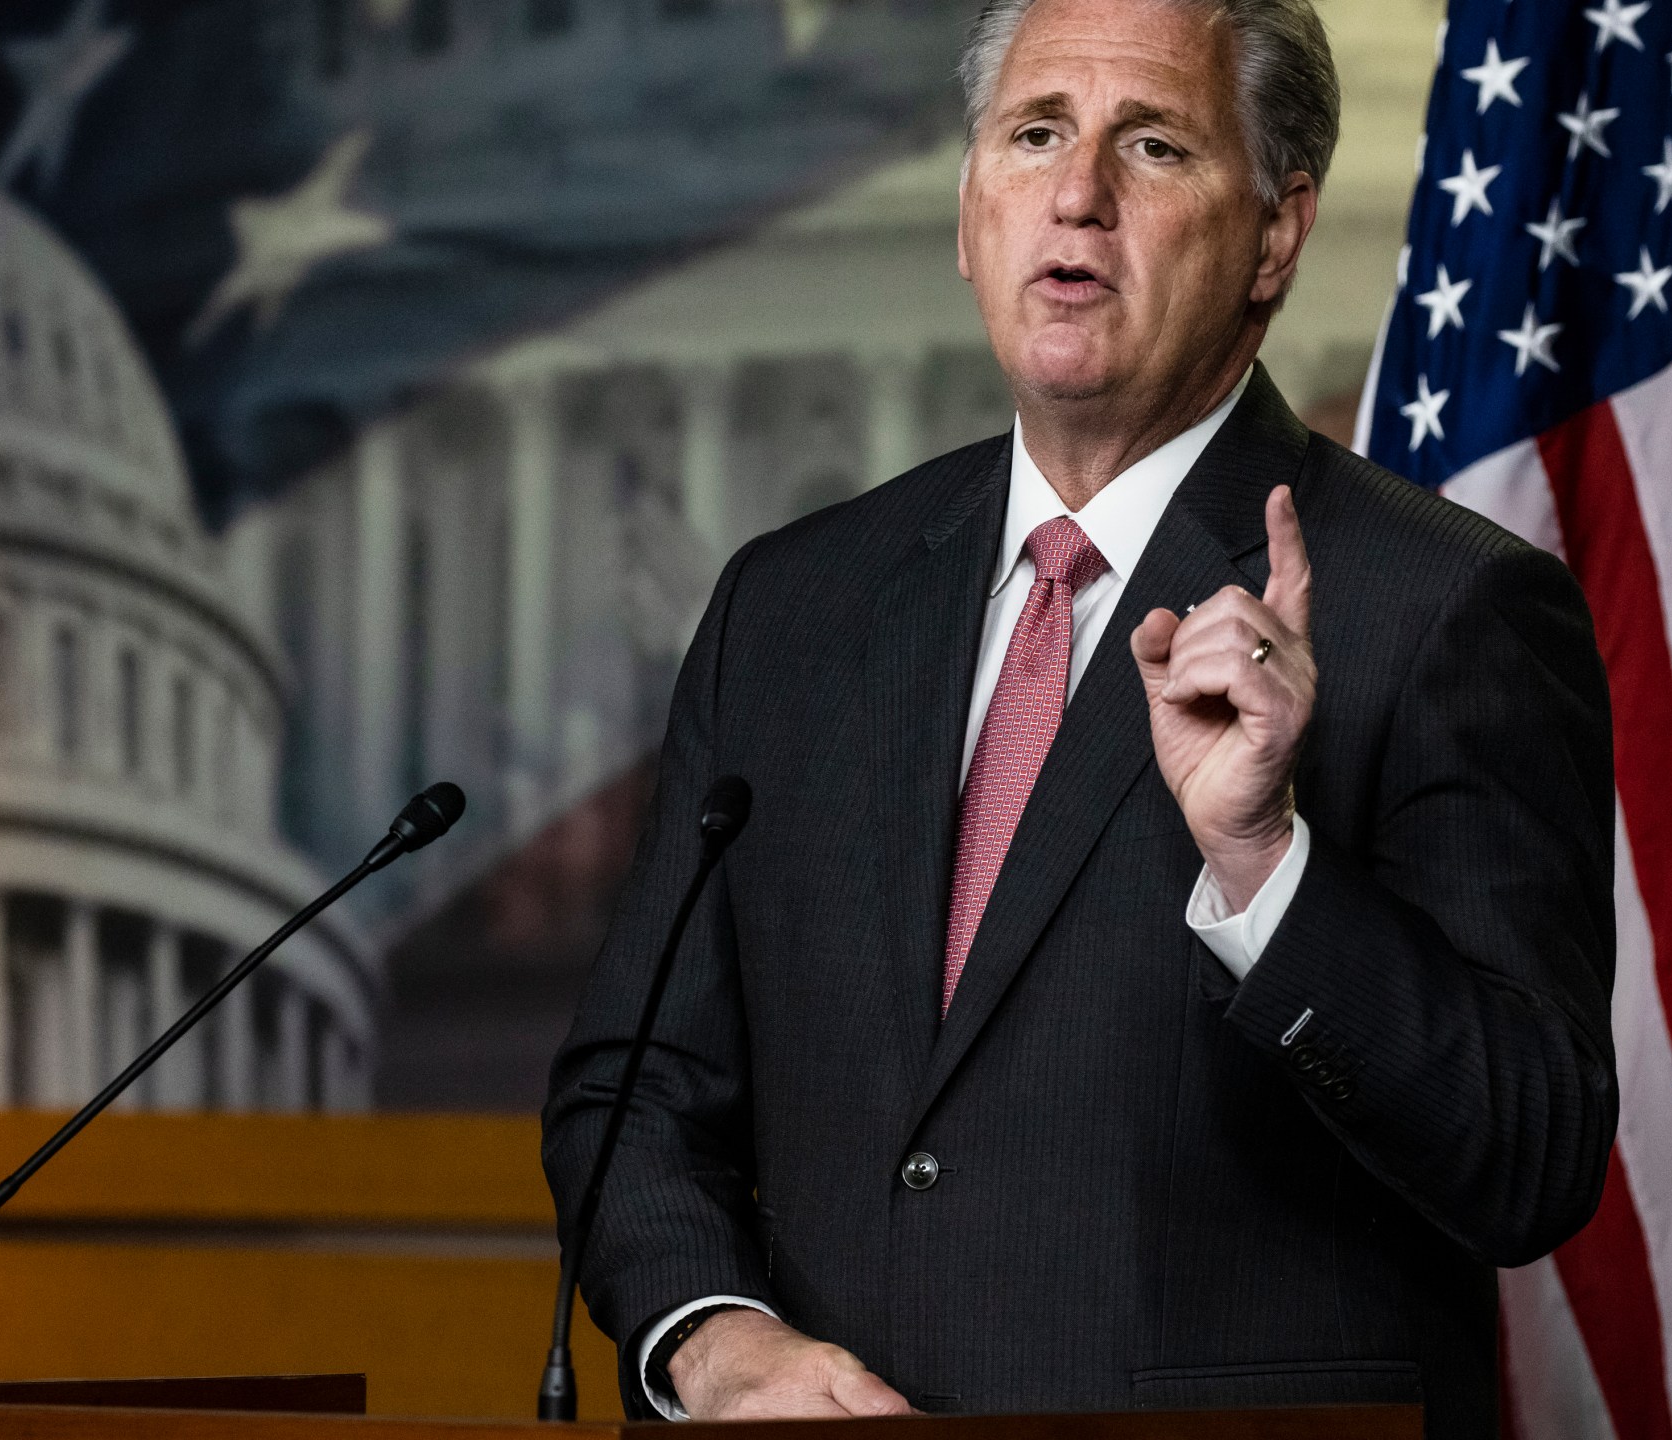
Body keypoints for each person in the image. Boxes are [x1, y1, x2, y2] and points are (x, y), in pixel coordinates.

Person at [541, 0, 1616, 1431]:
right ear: (972, 208)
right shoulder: (788, 610)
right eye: (1034, 133)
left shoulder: (1448, 608)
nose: (1078, 194)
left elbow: (1532, 1159)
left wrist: (1266, 870)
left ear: (1277, 235)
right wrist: (709, 1337)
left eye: (1154, 145)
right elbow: (636, 1084)